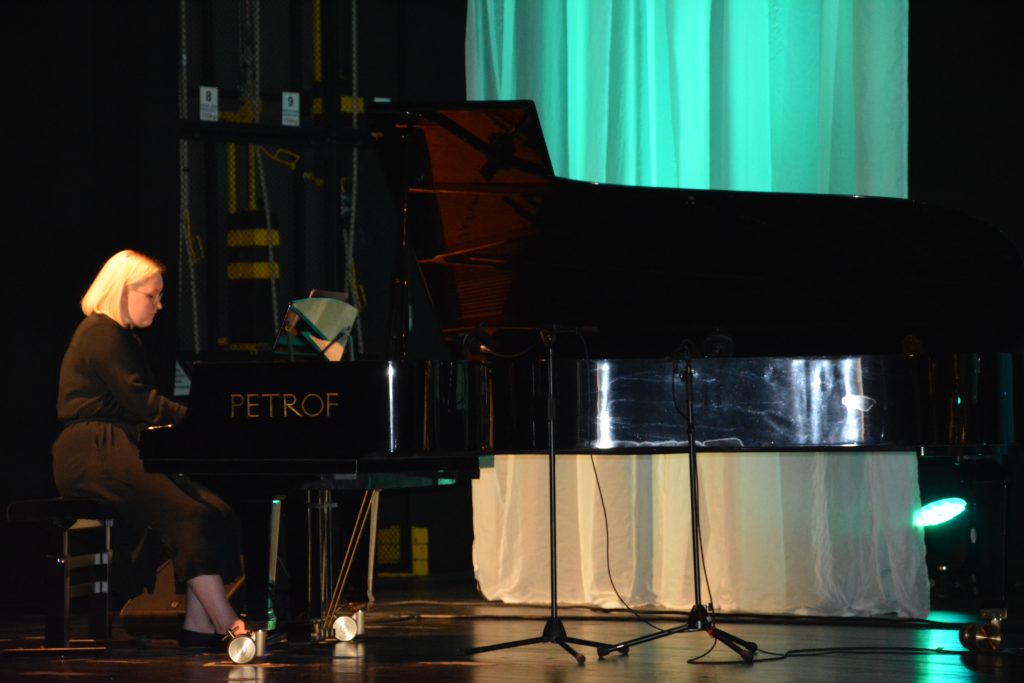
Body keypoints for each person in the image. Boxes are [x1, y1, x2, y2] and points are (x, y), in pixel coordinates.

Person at [51, 249, 246, 647]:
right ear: (122, 291)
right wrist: (206, 418)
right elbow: (145, 403)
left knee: (216, 512)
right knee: (188, 512)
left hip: (114, 445)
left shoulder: (120, 337)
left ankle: (197, 627)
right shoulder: (101, 333)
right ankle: (228, 623)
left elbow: (143, 408)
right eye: (152, 295)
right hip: (92, 451)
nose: (159, 305)